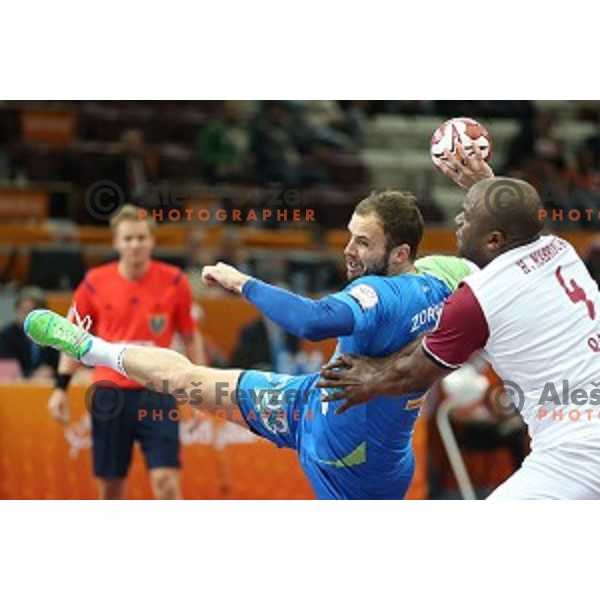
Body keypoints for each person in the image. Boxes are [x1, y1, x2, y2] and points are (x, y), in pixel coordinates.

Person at [25, 191, 476, 499]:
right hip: (302, 405)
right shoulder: (443, 275)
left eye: (363, 241)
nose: (349, 250)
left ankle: (96, 351)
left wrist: (241, 281)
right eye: (350, 236)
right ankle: (92, 349)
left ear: (399, 254)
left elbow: (312, 322)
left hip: (352, 462)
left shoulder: (381, 294)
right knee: (190, 381)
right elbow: (497, 268)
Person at [318, 147, 600, 500]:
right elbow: (520, 225)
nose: (458, 222)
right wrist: (487, 184)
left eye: (467, 216)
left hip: (579, 452)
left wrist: (363, 378)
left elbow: (411, 375)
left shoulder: (477, 298)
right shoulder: (560, 250)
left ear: (494, 240)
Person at [48, 204, 205, 500]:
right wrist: (60, 388)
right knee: (111, 487)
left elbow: (190, 337)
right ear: (116, 242)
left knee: (166, 481)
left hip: (158, 389)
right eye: (128, 238)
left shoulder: (175, 281)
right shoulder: (94, 283)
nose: (135, 244)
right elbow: (72, 338)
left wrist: (198, 392)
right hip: (110, 394)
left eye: (141, 238)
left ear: (152, 241)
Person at [0, 287, 58, 378]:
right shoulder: (7, 336)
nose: (26, 316)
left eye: (31, 312)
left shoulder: (53, 334)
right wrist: (32, 375)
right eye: (22, 310)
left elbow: (60, 364)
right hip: (19, 386)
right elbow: (8, 370)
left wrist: (52, 373)